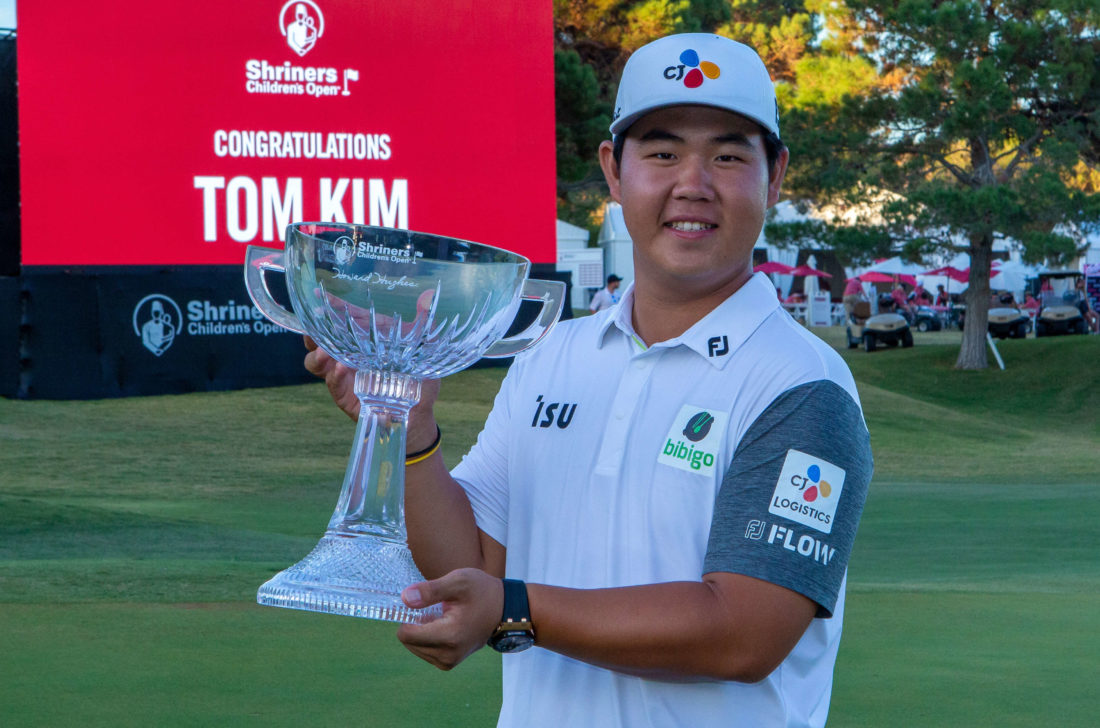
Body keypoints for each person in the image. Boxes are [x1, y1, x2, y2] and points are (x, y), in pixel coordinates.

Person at [305, 33, 872, 728]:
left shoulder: (802, 387)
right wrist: (411, 433)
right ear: (613, 170)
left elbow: (745, 632)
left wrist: (514, 612)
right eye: (662, 153)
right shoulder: (552, 358)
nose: (692, 184)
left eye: (727, 155)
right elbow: (474, 562)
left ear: (775, 175)